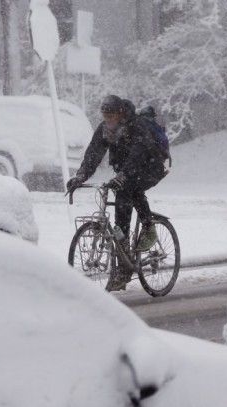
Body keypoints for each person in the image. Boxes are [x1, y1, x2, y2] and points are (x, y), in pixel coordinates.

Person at [66, 95, 168, 290]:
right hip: (126, 170)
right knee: (123, 191)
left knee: (129, 188)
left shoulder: (137, 126)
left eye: (111, 115)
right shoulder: (105, 129)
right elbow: (93, 153)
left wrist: (124, 175)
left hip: (151, 167)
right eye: (105, 115)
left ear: (121, 113)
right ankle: (124, 252)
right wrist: (80, 176)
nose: (108, 119)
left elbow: (138, 155)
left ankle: (148, 228)